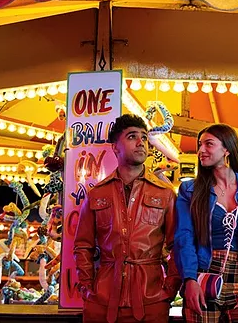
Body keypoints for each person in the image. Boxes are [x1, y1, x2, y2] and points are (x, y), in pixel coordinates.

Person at [73, 113, 182, 323]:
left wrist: (169, 289)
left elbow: (177, 245)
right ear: (115, 146)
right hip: (102, 301)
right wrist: (87, 289)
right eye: (132, 136)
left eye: (144, 137)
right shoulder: (97, 193)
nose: (141, 142)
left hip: (151, 300)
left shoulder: (165, 193)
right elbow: (82, 245)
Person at [174, 123, 238, 323]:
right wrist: (190, 278)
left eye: (209, 144)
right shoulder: (189, 190)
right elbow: (184, 237)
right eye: (200, 145)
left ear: (226, 149)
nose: (201, 150)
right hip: (203, 274)